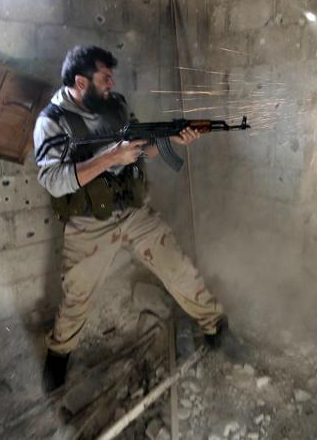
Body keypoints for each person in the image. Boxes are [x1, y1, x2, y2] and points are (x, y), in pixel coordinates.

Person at [34, 45, 228, 393]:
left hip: (134, 211)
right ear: (81, 82)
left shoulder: (116, 106)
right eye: (104, 78)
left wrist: (171, 139)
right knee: (77, 298)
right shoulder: (52, 121)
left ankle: (217, 329)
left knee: (179, 268)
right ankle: (58, 356)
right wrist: (109, 157)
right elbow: (53, 180)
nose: (111, 84)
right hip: (89, 223)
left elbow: (142, 150)